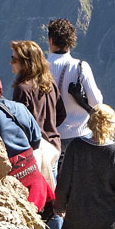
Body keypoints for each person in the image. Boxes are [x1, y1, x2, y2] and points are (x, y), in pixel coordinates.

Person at [10, 39, 66, 229]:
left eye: (14, 59)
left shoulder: (22, 90)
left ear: (25, 63)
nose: (11, 63)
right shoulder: (49, 84)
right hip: (54, 147)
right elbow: (61, 114)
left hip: (37, 152)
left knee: (38, 204)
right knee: (54, 203)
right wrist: (50, 129)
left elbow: (21, 124)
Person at [0, 68, 54, 213]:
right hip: (31, 170)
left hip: (11, 176)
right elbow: (36, 139)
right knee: (38, 214)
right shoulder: (19, 107)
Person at [46, 18, 104, 162]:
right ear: (71, 42)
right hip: (80, 136)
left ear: (51, 40)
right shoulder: (80, 67)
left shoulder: (41, 67)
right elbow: (96, 102)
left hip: (50, 136)